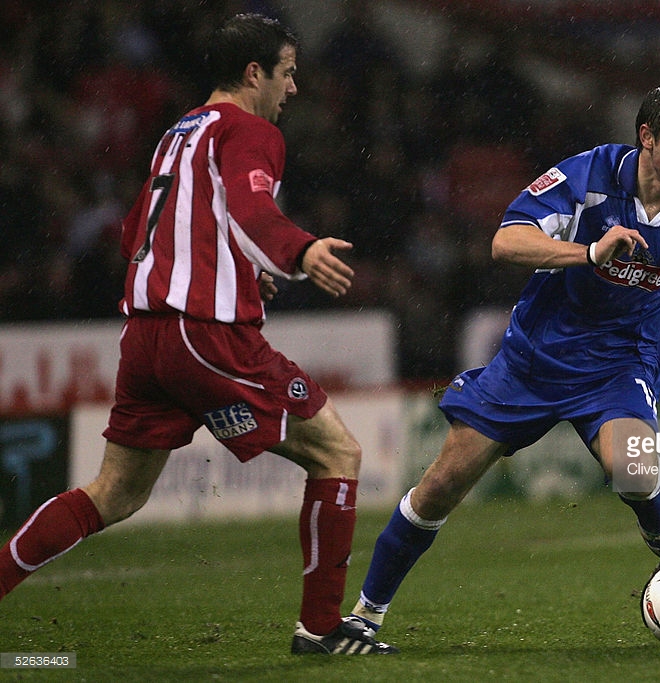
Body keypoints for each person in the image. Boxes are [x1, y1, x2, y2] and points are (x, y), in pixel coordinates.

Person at [0, 14, 394, 656]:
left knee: (114, 493)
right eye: (288, 74)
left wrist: (237, 271)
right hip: (205, 336)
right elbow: (251, 209)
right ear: (254, 73)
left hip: (146, 337)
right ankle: (321, 629)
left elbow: (139, 234)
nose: (293, 89)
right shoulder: (250, 129)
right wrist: (302, 251)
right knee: (338, 454)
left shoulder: (178, 130)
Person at [346, 82, 660, 641]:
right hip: (533, 358)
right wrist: (589, 252)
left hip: (621, 360)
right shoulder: (589, 176)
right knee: (441, 484)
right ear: (647, 137)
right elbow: (506, 241)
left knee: (635, 468)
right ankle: (365, 616)